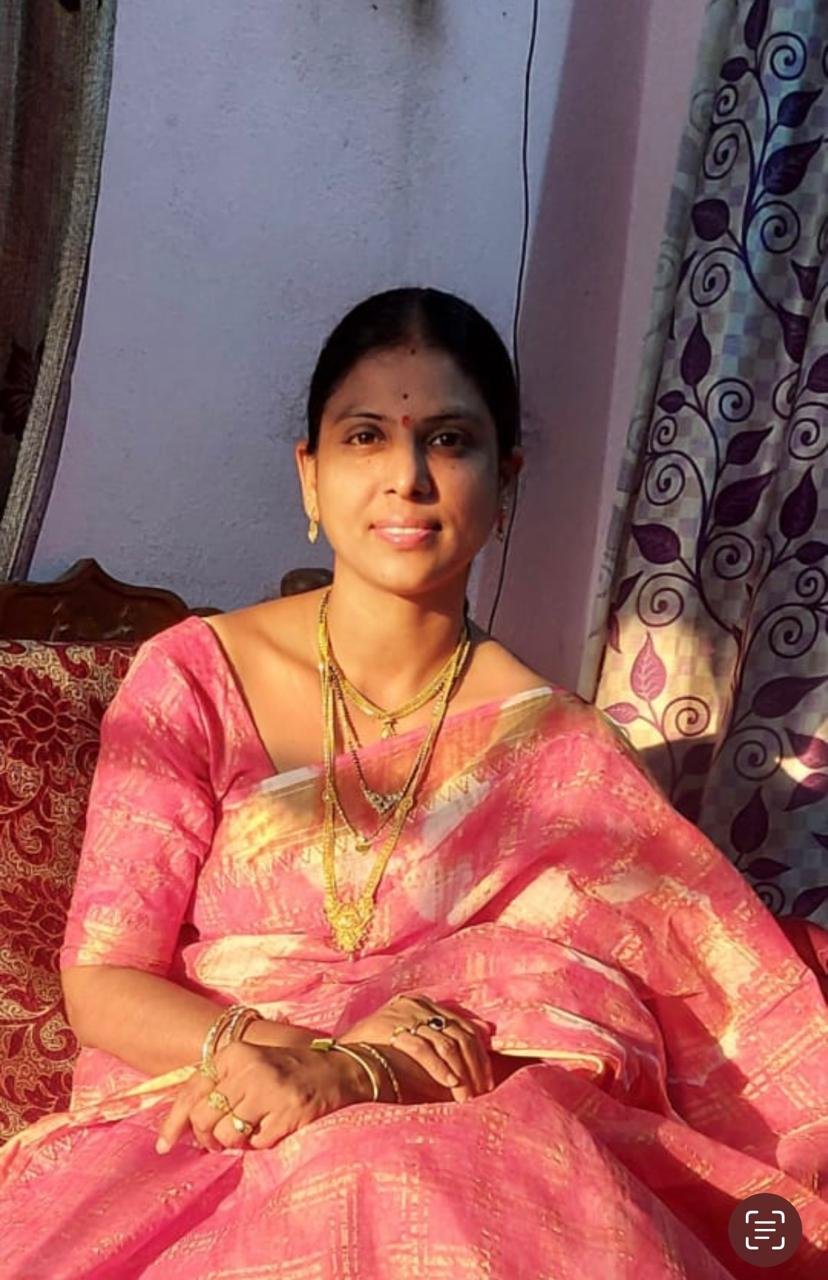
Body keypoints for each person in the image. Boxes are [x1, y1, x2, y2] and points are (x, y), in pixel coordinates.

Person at [1, 287, 826, 1279]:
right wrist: (304, 1058)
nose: (407, 476)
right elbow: (101, 979)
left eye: (449, 439)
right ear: (309, 475)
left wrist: (370, 1073)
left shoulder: (559, 750)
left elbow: (650, 994)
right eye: (364, 437)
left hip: (474, 1129)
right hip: (219, 1096)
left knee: (427, 1173)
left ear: (504, 481)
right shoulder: (194, 679)